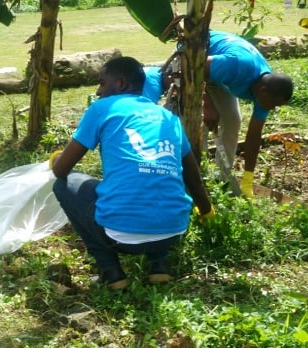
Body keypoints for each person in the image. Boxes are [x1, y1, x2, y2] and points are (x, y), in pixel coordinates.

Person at [50, 56, 213, 290]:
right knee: (155, 182)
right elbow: (193, 178)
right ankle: (159, 265)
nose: (98, 91)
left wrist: (56, 160)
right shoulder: (169, 118)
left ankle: (111, 272)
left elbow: (61, 170)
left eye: (102, 83)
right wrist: (207, 214)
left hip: (119, 237)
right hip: (174, 232)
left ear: (121, 83)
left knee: (65, 184)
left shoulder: (102, 108)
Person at [205, 30, 293, 196]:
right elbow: (196, 66)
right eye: (273, 104)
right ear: (262, 90)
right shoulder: (236, 65)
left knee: (233, 121)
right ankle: (197, 178)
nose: (272, 108)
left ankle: (221, 179)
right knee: (198, 126)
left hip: (218, 77)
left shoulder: (267, 95)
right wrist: (207, 105)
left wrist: (248, 180)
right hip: (197, 64)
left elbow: (253, 138)